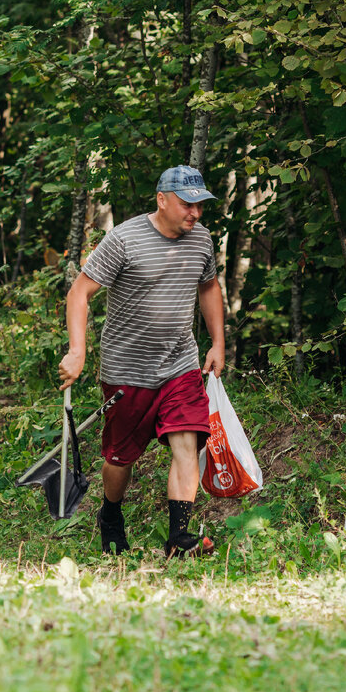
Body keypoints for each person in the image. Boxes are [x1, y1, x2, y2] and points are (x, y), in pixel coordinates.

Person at [58, 165, 226, 558]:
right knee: (121, 459)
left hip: (180, 365)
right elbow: (79, 294)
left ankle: (179, 540)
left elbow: (209, 286)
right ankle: (111, 513)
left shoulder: (201, 240)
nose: (195, 213)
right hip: (127, 371)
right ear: (162, 199)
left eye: (200, 206)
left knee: (188, 443)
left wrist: (217, 343)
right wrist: (77, 350)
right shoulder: (124, 239)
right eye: (188, 205)